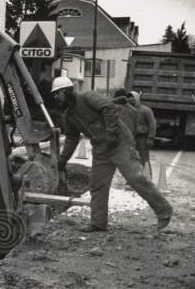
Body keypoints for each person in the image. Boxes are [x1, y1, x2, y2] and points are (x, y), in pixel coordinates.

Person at [51, 76, 172, 233]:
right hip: (101, 149)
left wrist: (111, 134)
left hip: (119, 143)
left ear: (66, 91)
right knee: (97, 185)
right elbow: (72, 138)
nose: (56, 97)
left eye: (57, 93)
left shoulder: (88, 97)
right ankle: (98, 223)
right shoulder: (70, 115)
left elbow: (109, 108)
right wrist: (63, 160)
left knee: (136, 178)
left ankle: (164, 211)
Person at [130, 91, 157, 177]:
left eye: (132, 97)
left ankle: (147, 176)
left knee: (144, 157)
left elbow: (152, 124)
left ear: (137, 98)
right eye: (129, 97)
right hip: (131, 137)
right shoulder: (128, 110)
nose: (130, 99)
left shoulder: (145, 110)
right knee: (132, 158)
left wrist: (151, 137)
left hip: (142, 137)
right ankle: (134, 177)